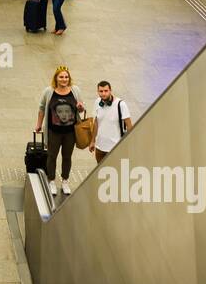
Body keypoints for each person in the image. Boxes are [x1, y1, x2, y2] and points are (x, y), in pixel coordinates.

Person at [35, 67, 85, 196]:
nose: (64, 79)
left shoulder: (75, 91)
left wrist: (80, 107)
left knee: (67, 157)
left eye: (66, 77)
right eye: (61, 77)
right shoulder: (48, 92)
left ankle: (65, 181)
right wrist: (38, 125)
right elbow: (41, 108)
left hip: (70, 132)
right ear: (56, 78)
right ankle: (51, 180)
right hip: (53, 132)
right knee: (52, 156)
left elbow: (80, 109)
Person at [91, 80, 133, 164]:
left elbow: (129, 125)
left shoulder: (121, 104)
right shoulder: (97, 102)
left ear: (110, 90)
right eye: (101, 91)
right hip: (100, 147)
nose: (103, 93)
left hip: (115, 147)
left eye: (106, 91)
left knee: (114, 173)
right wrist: (92, 141)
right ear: (98, 92)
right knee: (101, 172)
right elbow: (96, 123)